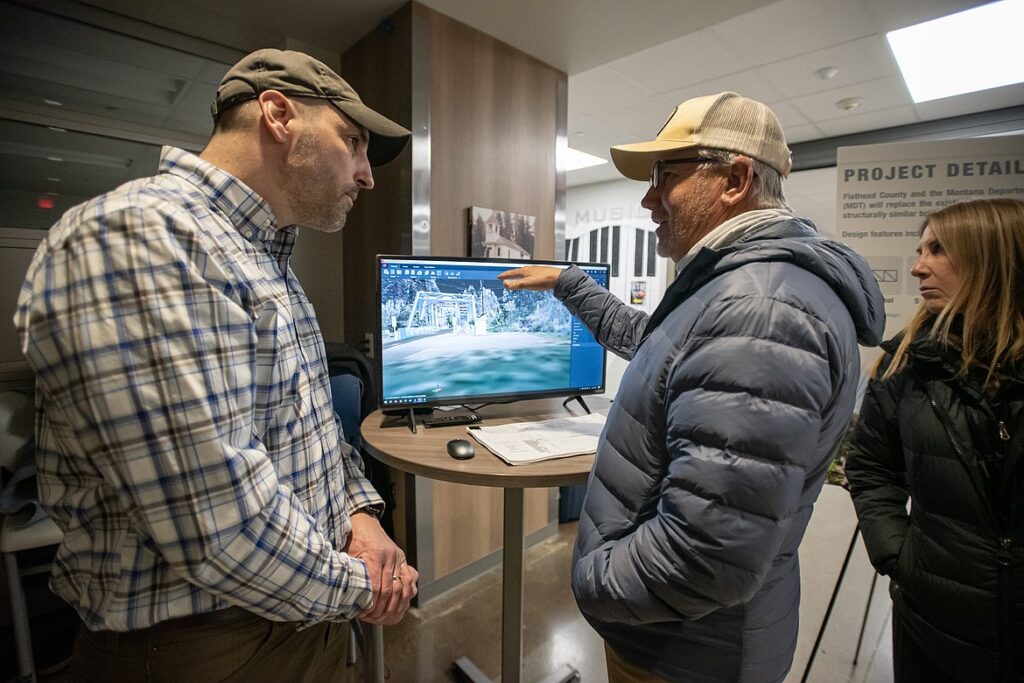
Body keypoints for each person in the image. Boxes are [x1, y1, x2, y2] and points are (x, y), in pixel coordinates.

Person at [14, 49, 417, 682]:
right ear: (279, 115)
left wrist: (360, 517)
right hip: (206, 644)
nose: (367, 175)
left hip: (300, 610)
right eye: (354, 142)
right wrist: (365, 591)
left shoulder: (266, 261)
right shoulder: (141, 234)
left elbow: (311, 431)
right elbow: (217, 522)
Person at [499, 91, 885, 682]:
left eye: (666, 177)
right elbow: (659, 345)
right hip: (689, 637)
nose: (649, 198)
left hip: (682, 652)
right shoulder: (743, 286)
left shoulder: (760, 309)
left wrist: (592, 579)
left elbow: (708, 556)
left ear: (735, 180)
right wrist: (571, 284)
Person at [845, 198, 1024, 683]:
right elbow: (872, 469)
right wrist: (899, 559)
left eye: (939, 250)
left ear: (994, 258)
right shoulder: (904, 365)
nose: (919, 266)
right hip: (934, 624)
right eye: (921, 249)